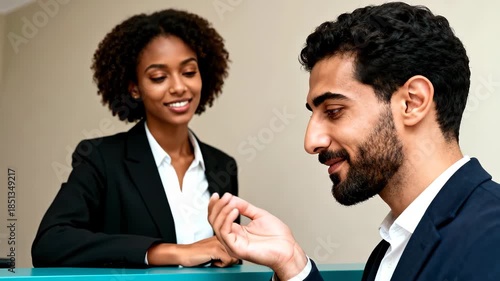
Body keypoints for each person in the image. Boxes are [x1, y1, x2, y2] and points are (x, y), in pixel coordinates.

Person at [208, 2, 500, 280]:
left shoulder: (491, 237)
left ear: (412, 102)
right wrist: (292, 263)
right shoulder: (392, 246)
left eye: (334, 111)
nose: (311, 142)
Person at [32, 9, 239, 268]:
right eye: (158, 77)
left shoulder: (223, 166)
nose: (178, 86)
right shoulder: (101, 158)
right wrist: (171, 252)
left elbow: (226, 253)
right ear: (134, 88)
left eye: (188, 72)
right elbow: (50, 243)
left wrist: (231, 252)